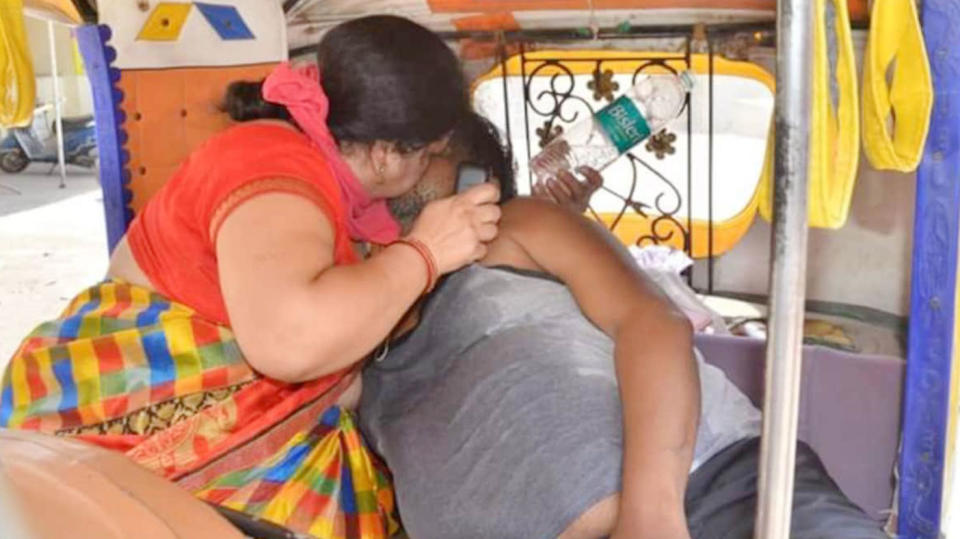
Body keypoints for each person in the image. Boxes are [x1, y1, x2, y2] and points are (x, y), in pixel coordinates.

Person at [0, 16, 500, 538]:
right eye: (426, 157)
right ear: (384, 153)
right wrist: (423, 253)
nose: (423, 173)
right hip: (117, 447)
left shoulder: (334, 195)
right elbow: (289, 341)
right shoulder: (268, 163)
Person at [358, 113, 890, 539]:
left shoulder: (516, 226)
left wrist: (651, 515)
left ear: (476, 178)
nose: (391, 163)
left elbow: (651, 324)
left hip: (705, 490)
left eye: (420, 150)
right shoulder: (356, 324)